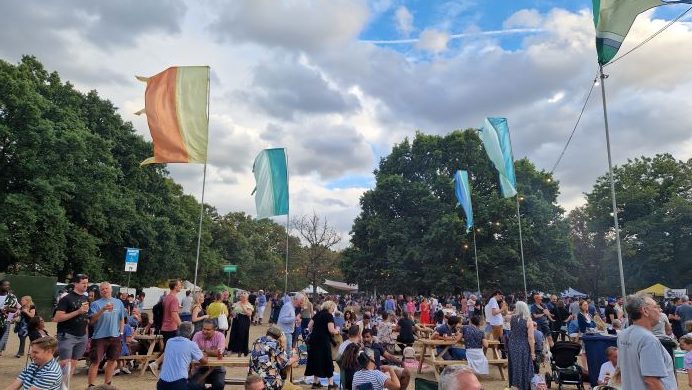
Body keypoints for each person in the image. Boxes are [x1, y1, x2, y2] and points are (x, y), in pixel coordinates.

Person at [617, 293, 677, 390]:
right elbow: (651, 381)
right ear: (645, 311)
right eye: (656, 307)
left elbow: (621, 369)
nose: (660, 310)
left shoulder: (623, 334)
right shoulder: (648, 340)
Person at [87, 282, 126, 387]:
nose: (104, 290)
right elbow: (92, 321)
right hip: (99, 337)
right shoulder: (96, 304)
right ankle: (91, 386)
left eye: (106, 289)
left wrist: (121, 333)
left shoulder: (119, 302)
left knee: (112, 361)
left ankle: (107, 385)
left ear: (111, 290)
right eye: (102, 289)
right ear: (100, 291)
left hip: (115, 336)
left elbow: (122, 319)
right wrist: (103, 309)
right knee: (95, 362)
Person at [54, 273, 90, 380]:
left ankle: (65, 386)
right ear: (75, 283)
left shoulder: (85, 298)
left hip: (82, 336)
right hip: (67, 335)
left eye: (87, 283)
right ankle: (58, 386)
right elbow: (58, 318)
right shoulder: (66, 298)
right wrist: (78, 311)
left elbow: (86, 318)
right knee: (65, 364)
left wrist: (86, 334)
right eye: (83, 283)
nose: (85, 285)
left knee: (74, 363)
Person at [156, 322, 208, 390]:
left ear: (178, 330)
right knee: (198, 386)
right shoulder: (191, 344)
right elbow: (204, 362)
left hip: (162, 384)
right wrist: (205, 355)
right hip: (178, 384)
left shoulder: (169, 341)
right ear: (191, 333)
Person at [249, 326, 299, 390]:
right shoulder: (275, 343)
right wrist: (295, 358)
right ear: (279, 337)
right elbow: (285, 362)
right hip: (269, 382)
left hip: (253, 381)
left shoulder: (257, 341)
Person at [305, 300, 339, 389]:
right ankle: (331, 384)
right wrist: (337, 331)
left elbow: (309, 326)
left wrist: (316, 331)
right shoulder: (329, 315)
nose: (334, 310)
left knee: (316, 360)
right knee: (327, 360)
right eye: (333, 308)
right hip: (323, 341)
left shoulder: (317, 314)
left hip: (314, 340)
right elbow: (331, 330)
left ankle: (315, 383)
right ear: (330, 307)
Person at [507, 301, 536, 390]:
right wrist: (533, 352)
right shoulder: (528, 320)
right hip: (523, 345)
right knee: (524, 366)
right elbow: (531, 338)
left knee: (514, 366)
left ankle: (514, 385)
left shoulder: (512, 318)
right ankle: (523, 386)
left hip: (512, 344)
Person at [191, 319, 226, 390]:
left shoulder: (220, 336)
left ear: (214, 329)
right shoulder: (197, 335)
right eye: (204, 329)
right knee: (195, 386)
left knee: (219, 385)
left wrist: (204, 351)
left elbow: (219, 353)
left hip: (216, 368)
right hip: (200, 367)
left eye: (208, 329)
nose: (204, 331)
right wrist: (212, 352)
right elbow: (192, 352)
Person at [228, 291, 254, 356]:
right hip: (236, 320)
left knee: (242, 335)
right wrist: (232, 313)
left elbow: (249, 314)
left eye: (243, 297)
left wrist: (243, 307)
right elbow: (233, 311)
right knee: (233, 334)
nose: (242, 297)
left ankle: (241, 350)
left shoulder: (249, 305)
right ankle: (232, 349)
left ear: (247, 298)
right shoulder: (237, 303)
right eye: (241, 296)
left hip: (244, 320)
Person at [0, 279, 19, 356]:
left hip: (5, 320)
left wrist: (8, 309)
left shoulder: (12, 297)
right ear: (0, 286)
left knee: (3, 337)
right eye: (5, 285)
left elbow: (16, 309)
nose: (7, 286)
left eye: (8, 285)